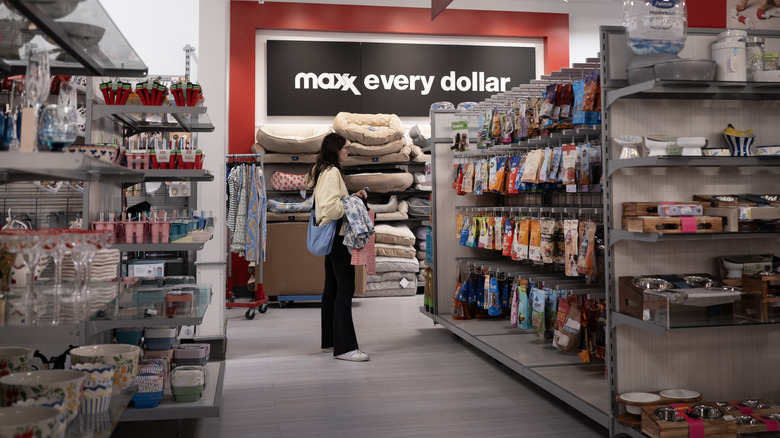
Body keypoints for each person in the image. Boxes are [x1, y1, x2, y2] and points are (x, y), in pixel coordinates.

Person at [305, 133, 369, 362]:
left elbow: (328, 202)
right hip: (338, 236)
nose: (348, 151)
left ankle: (329, 341)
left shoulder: (322, 170)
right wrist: (352, 203)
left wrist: (350, 197)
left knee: (331, 288)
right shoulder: (332, 172)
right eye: (346, 148)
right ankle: (345, 348)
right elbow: (331, 208)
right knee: (346, 288)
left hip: (330, 236)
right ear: (336, 149)